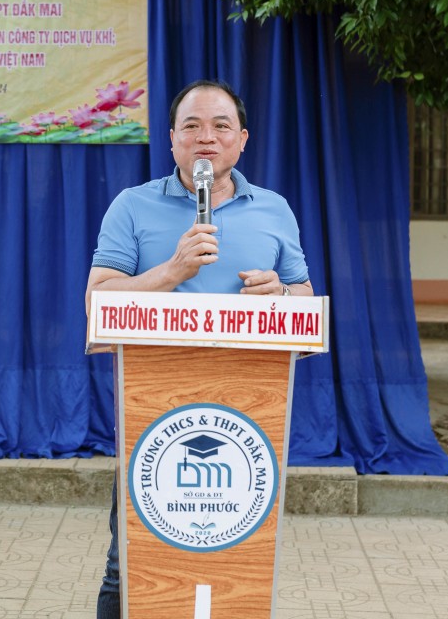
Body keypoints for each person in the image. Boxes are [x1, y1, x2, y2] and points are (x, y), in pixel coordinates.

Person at [86, 79, 313, 619]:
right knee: (130, 564)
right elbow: (98, 297)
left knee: (234, 562)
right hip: (155, 416)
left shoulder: (275, 210)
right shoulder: (132, 206)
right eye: (191, 126)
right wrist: (172, 271)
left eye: (220, 127)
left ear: (242, 140)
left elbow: (303, 294)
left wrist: (278, 293)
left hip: (246, 411)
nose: (205, 139)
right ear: (171, 140)